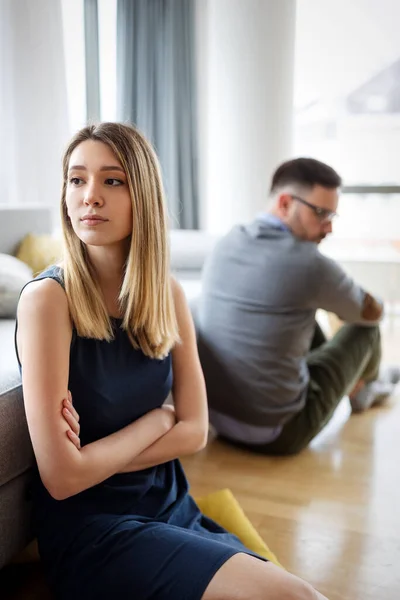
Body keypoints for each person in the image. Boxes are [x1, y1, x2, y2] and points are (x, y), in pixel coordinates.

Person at [16, 124, 327, 599]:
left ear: (143, 194)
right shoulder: (48, 301)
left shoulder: (168, 293)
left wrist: (95, 457)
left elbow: (196, 431)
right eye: (76, 180)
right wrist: (157, 421)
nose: (89, 196)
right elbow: (62, 479)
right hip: (96, 529)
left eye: (112, 180)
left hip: (170, 504)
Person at [197, 157, 400, 456]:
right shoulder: (311, 264)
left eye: (332, 216)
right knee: (365, 331)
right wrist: (373, 301)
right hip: (279, 434)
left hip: (215, 422)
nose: (328, 227)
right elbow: (371, 312)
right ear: (284, 203)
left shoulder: (228, 241)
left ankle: (365, 383)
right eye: (321, 213)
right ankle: (366, 389)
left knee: (303, 316)